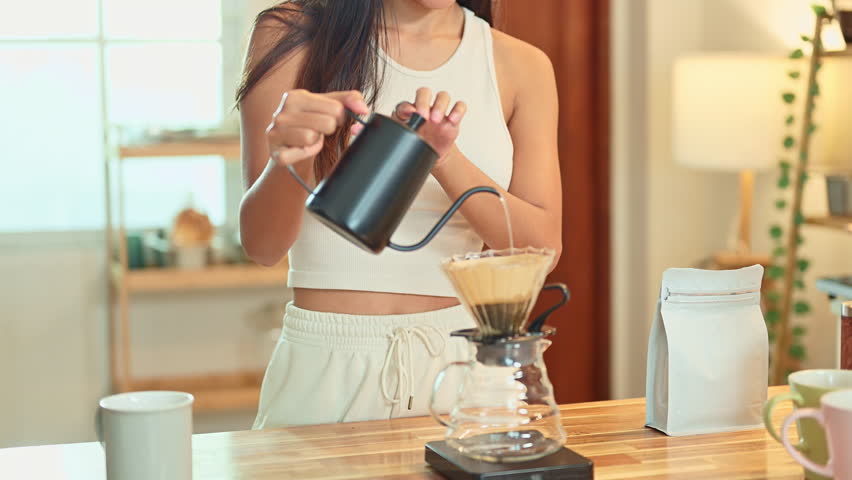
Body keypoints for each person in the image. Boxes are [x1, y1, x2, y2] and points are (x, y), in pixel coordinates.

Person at [236, 0, 562, 428]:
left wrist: (442, 158)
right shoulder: (292, 35)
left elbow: (542, 250)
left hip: (465, 368)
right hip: (326, 366)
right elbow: (262, 246)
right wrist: (292, 160)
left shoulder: (521, 64)